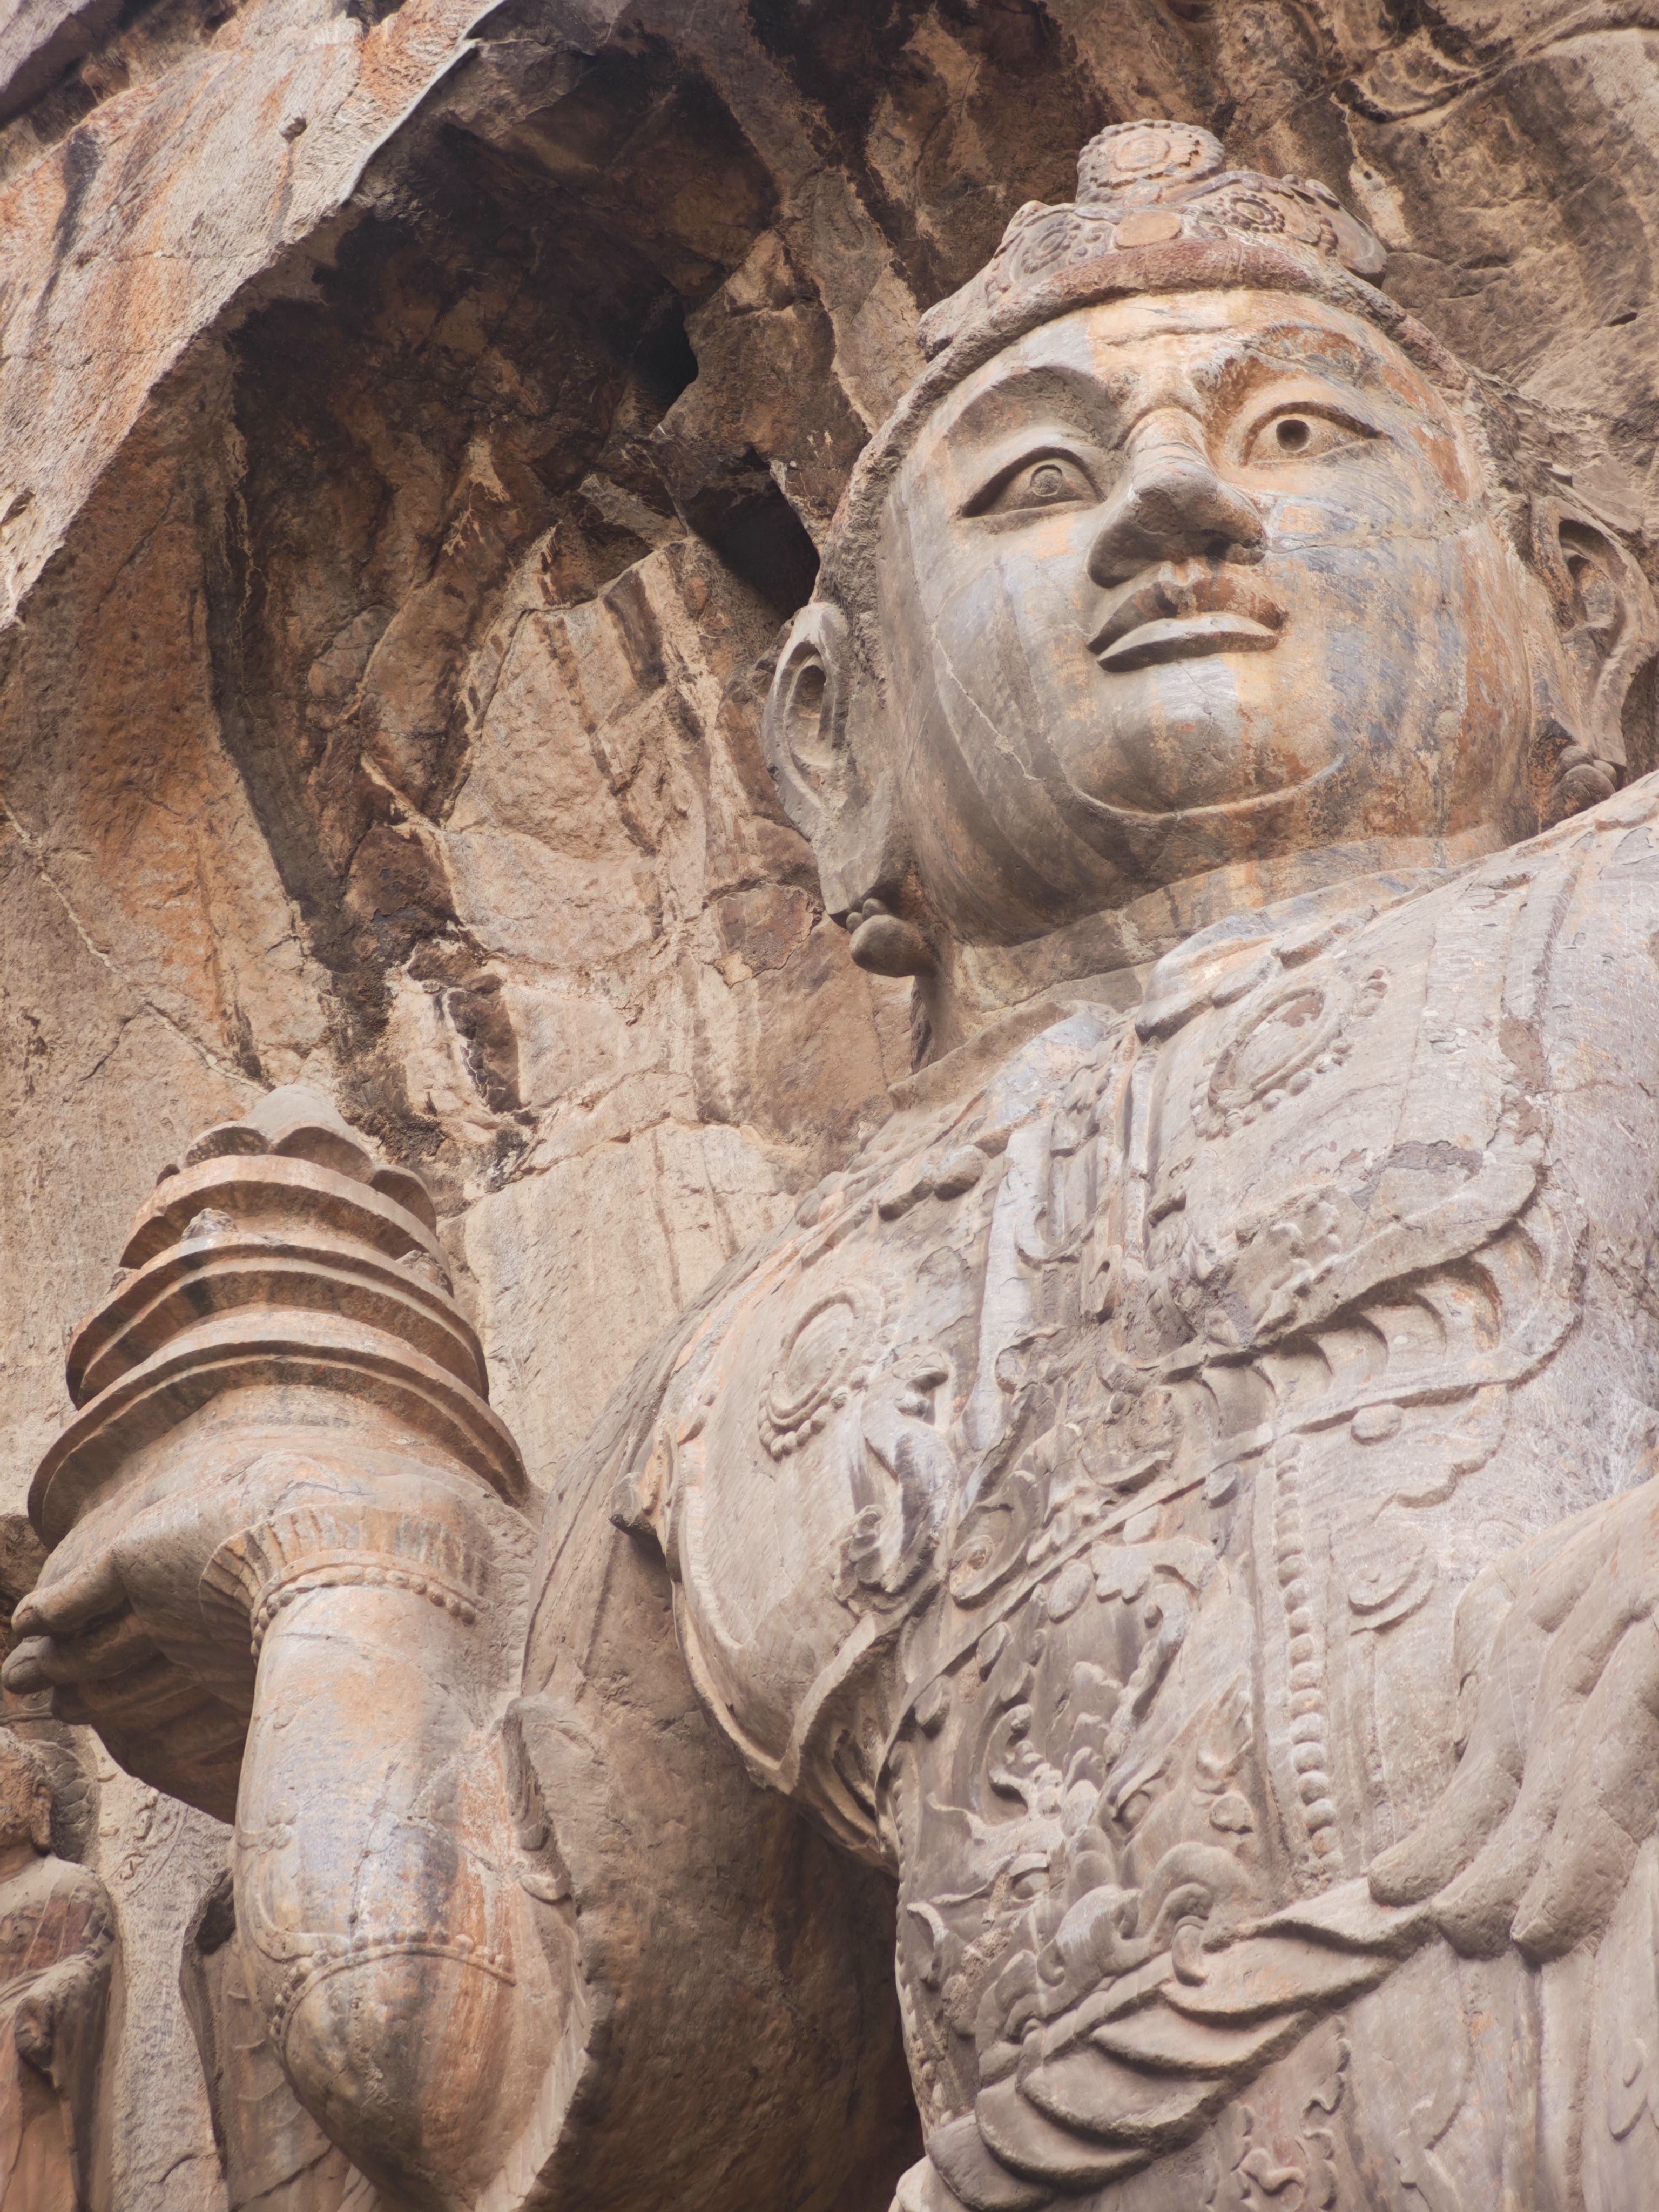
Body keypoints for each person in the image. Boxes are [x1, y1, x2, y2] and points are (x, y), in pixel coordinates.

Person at [11, 119, 1659, 2211]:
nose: (1173, 504)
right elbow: (546, 2075)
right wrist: (352, 1569)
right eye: (1035, 481)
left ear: (1572, 594)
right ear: (832, 734)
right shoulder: (761, 1356)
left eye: (1302, 432)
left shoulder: (1614, 923)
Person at [0, 1730, 113, 2212]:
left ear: (39, 1801)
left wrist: (44, 2001)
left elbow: (90, 1964)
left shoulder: (67, 1884)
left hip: (18, 2054)